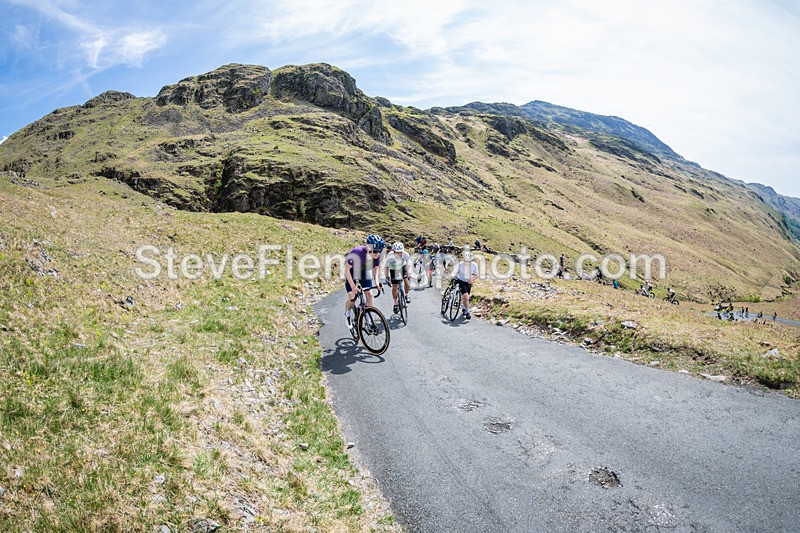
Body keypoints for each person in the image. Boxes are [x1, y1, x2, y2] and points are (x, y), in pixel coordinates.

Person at [344, 234, 385, 324]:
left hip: (363, 271)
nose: (377, 254)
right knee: (352, 297)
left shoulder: (378, 256)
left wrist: (377, 283)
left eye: (379, 251)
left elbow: (375, 269)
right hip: (351, 270)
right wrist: (353, 286)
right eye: (375, 251)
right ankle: (347, 313)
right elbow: (347, 269)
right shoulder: (357, 253)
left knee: (369, 294)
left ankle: (368, 318)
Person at [385, 242, 411, 315]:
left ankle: (406, 295)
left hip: (403, 266)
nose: (399, 254)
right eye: (397, 252)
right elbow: (386, 267)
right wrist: (387, 277)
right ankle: (395, 303)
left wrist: (408, 273)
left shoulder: (405, 254)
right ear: (393, 251)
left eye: (400, 252)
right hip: (393, 268)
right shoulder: (390, 256)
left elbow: (409, 264)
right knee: (395, 287)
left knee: (406, 281)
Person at [455, 251, 479, 319]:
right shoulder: (460, 264)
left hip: (468, 283)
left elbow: (476, 275)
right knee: (466, 296)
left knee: (466, 297)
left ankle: (464, 308)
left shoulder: (474, 265)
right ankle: (468, 312)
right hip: (461, 281)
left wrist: (472, 279)